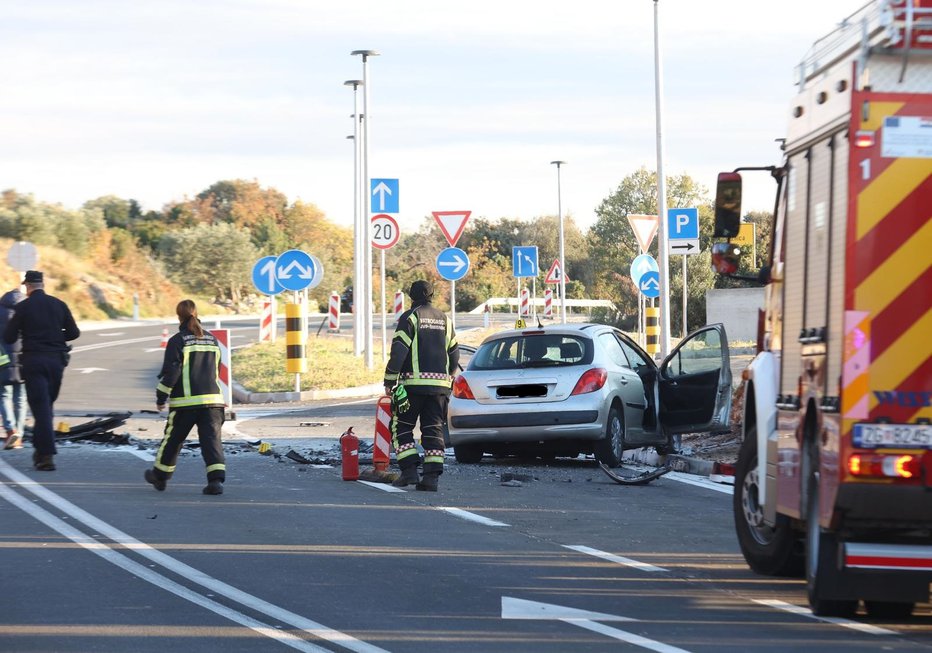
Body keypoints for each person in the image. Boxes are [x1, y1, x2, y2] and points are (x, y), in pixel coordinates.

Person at [383, 280, 459, 492]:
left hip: (411, 387)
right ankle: (431, 479)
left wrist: (390, 380)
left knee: (401, 427)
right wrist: (448, 376)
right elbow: (455, 353)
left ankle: (409, 472)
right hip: (440, 388)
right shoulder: (445, 319)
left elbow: (399, 351)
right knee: (433, 430)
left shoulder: (410, 317)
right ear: (432, 295)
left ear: (411, 296)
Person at [145, 299, 227, 495]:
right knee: (212, 441)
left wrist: (160, 397)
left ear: (179, 316)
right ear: (196, 313)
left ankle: (160, 476)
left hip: (186, 404)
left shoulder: (178, 340)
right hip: (213, 402)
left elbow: (171, 373)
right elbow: (217, 369)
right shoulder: (212, 339)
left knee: (173, 440)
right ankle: (215, 481)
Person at [2, 271, 80, 471]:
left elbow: (10, 337)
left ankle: (46, 456)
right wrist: (55, 335)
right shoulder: (58, 304)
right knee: (45, 407)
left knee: (42, 409)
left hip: (33, 361)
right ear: (42, 284)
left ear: (27, 286)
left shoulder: (23, 307)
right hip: (56, 363)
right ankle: (40, 451)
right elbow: (73, 333)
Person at [0, 287, 27, 450]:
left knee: (3, 395)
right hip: (24, 358)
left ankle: (11, 430)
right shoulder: (27, 309)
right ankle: (19, 436)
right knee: (21, 397)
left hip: (2, 359)